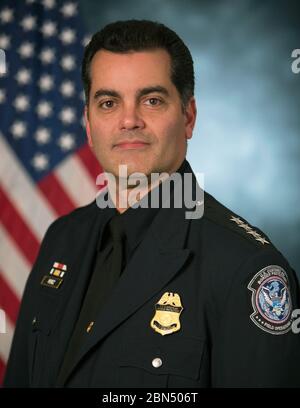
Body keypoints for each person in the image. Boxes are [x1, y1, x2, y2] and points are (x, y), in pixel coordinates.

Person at [4, 20, 300, 388]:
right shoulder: (62, 238)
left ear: (188, 117)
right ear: (88, 123)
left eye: (152, 100)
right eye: (109, 102)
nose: (129, 120)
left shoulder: (246, 270)